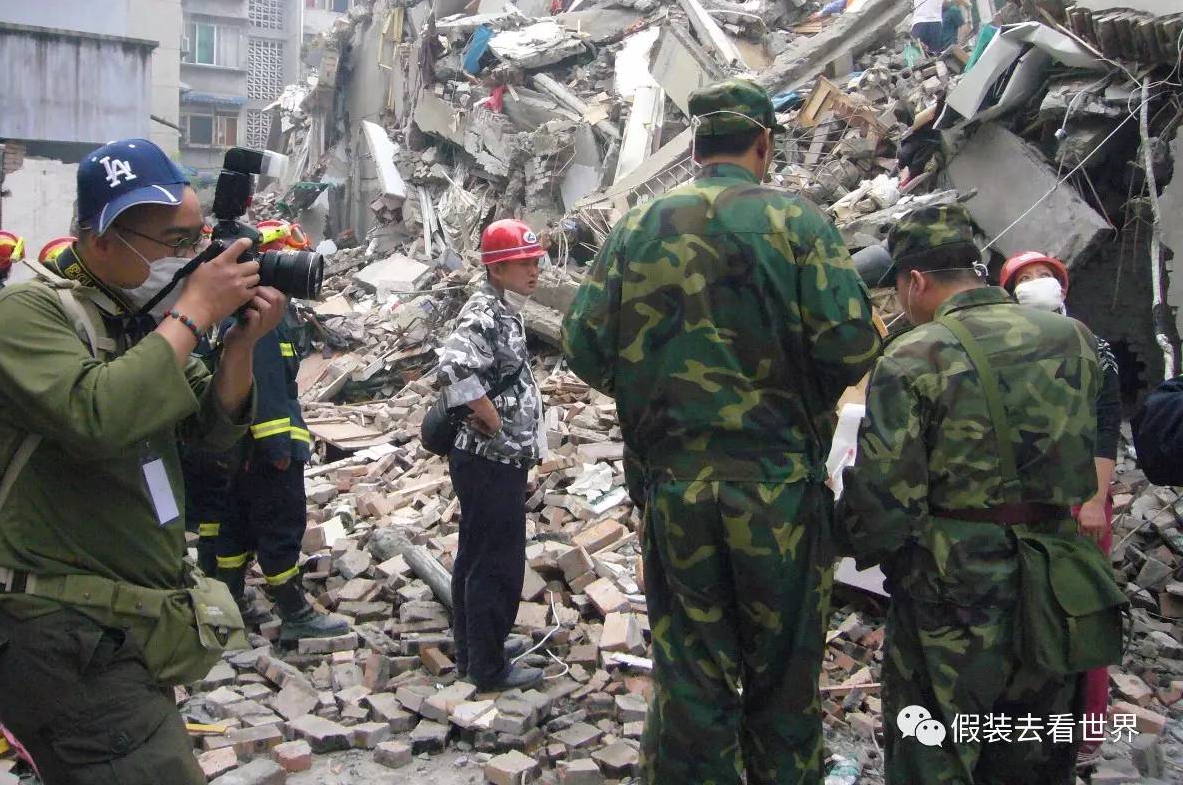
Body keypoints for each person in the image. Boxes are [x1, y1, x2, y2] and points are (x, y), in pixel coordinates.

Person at [563, 77, 881, 785]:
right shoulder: (800, 226)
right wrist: (793, 395)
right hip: (779, 495)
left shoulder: (638, 228)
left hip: (674, 489)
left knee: (692, 674)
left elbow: (584, 348)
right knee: (784, 676)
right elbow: (854, 347)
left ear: (697, 146)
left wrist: (655, 394)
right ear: (763, 144)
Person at [0, 138, 285, 784]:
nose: (189, 258)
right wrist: (195, 310)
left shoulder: (130, 320)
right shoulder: (27, 312)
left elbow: (211, 433)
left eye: (196, 239)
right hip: (66, 634)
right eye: (174, 241)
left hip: (124, 627)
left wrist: (240, 346)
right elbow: (98, 416)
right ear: (103, 237)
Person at [837, 205, 1101, 785]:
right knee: (1030, 741)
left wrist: (843, 541)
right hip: (1054, 576)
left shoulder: (916, 355)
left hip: (951, 586)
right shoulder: (1073, 338)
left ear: (916, 281)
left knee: (936, 742)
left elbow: (886, 494)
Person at [999, 249, 1122, 762]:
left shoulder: (1093, 346)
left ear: (1062, 284)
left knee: (1082, 609)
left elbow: (1107, 424)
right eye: (1024, 279)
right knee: (1031, 613)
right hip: (1027, 500)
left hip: (1080, 497)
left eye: (1044, 275)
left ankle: (1085, 728)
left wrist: (1094, 500)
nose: (1037, 283)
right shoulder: (1004, 347)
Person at [213, 220, 349, 643]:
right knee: (280, 524)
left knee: (236, 524)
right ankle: (292, 610)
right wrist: (277, 447)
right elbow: (267, 388)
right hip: (266, 447)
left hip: (238, 448)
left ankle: (229, 601)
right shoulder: (263, 319)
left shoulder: (255, 311)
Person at [437, 218, 546, 692]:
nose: (534, 270)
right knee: (497, 561)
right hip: (489, 460)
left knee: (475, 554)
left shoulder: (500, 309)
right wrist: (495, 422)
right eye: (524, 263)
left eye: (535, 261)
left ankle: (475, 650)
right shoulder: (483, 312)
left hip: (491, 460)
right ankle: (487, 667)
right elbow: (453, 366)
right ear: (497, 270)